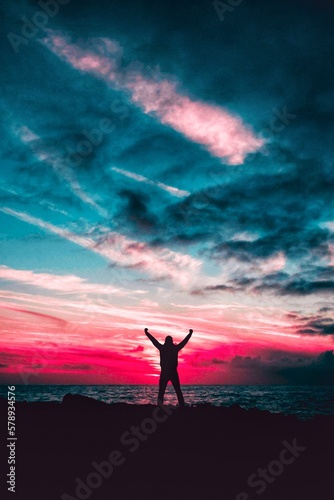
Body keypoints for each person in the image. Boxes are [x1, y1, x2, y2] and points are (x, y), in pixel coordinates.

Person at [144, 327, 193, 407]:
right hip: (168, 372)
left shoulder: (166, 348)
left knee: (167, 391)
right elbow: (154, 341)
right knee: (172, 391)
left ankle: (166, 406)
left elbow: (154, 341)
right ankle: (180, 406)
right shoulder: (171, 348)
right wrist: (147, 333)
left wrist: (190, 334)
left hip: (170, 372)